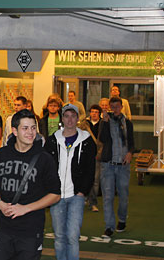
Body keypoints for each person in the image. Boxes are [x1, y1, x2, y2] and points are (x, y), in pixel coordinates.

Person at [0, 109, 61, 260]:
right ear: (14, 131)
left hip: (30, 228)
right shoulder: (1, 154)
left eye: (33, 127)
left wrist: (25, 208)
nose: (31, 132)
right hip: (3, 227)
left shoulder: (44, 159)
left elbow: (55, 194)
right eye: (25, 128)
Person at [44, 104, 96, 260]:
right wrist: (51, 189)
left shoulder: (86, 141)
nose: (70, 119)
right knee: (59, 236)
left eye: (73, 116)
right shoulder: (53, 140)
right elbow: (46, 168)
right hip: (57, 197)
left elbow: (90, 169)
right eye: (66, 116)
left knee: (73, 236)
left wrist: (82, 191)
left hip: (76, 197)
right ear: (62, 118)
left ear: (78, 118)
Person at [99, 97, 134, 238]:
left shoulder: (128, 123)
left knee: (123, 195)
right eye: (112, 107)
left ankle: (122, 219)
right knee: (107, 196)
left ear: (121, 107)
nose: (115, 109)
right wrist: (105, 122)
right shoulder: (105, 122)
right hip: (108, 164)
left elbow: (131, 141)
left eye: (117, 106)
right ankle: (109, 226)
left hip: (123, 165)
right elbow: (102, 139)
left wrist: (130, 153)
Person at [86, 104, 103, 212]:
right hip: (86, 155)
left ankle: (93, 202)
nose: (94, 114)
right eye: (92, 111)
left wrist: (100, 153)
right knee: (86, 178)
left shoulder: (103, 124)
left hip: (98, 155)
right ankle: (87, 197)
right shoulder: (85, 124)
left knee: (96, 180)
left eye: (96, 112)